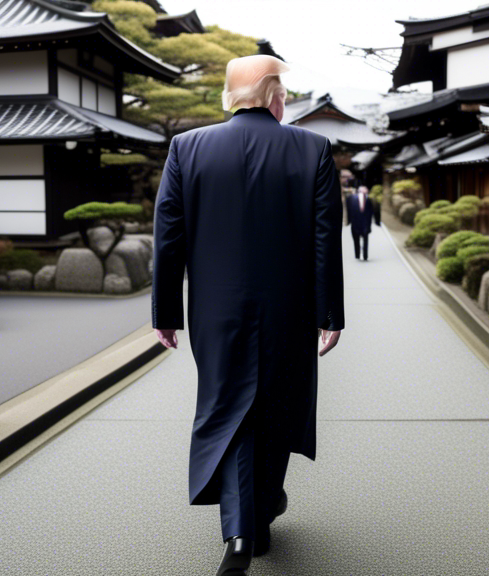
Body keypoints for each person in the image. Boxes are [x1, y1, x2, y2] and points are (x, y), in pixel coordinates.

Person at [151, 54, 345, 576]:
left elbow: (169, 238)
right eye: (284, 92)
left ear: (230, 97)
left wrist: (165, 312)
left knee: (232, 408)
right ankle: (255, 517)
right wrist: (331, 314)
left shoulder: (186, 148)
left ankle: (247, 529)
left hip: (217, 315)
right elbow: (326, 240)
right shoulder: (313, 149)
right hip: (290, 311)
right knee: (278, 406)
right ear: (273, 95)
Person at [345, 185, 374, 261]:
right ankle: (357, 255)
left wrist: (370, 224)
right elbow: (348, 210)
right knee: (356, 240)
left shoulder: (369, 199)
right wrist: (348, 221)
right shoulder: (351, 198)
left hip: (365, 223)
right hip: (355, 223)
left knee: (365, 240)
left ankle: (365, 255)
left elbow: (370, 213)